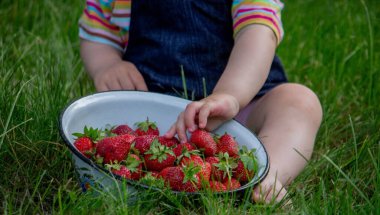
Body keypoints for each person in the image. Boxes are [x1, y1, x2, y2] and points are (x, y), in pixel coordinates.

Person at [79, 0, 322, 203]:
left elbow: (258, 31)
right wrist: (107, 65)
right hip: (157, 116)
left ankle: (266, 174)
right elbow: (98, 31)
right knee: (99, 118)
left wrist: (230, 94)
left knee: (300, 103)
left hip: (241, 104)